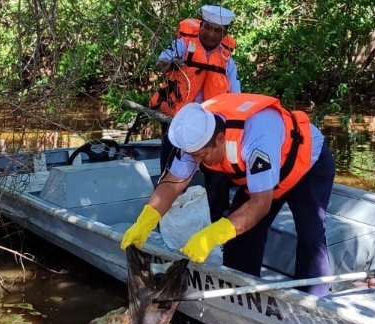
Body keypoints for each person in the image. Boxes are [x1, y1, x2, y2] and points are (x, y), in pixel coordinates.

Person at [120, 93, 336, 296]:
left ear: (221, 139)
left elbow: (261, 204)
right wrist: (146, 221)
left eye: (203, 155)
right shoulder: (195, 136)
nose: (198, 161)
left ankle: (314, 298)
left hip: (306, 164)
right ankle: (242, 292)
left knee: (311, 233)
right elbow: (172, 184)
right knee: (239, 239)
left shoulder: (255, 140)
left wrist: (212, 235)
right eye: (194, 157)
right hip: (265, 174)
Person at [148, 5, 240, 176]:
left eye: (217, 30)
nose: (211, 34)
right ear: (201, 26)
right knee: (170, 153)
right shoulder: (182, 45)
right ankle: (166, 186)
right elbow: (159, 65)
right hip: (177, 115)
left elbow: (236, 96)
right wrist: (171, 63)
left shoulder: (227, 61)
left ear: (224, 34)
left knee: (210, 160)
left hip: (208, 119)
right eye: (207, 27)